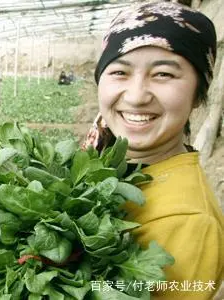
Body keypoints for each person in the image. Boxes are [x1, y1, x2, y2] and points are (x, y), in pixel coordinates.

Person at [82, 2, 223, 299]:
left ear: (198, 95)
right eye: (120, 72)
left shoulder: (189, 222)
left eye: (163, 75)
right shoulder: (107, 159)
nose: (136, 96)